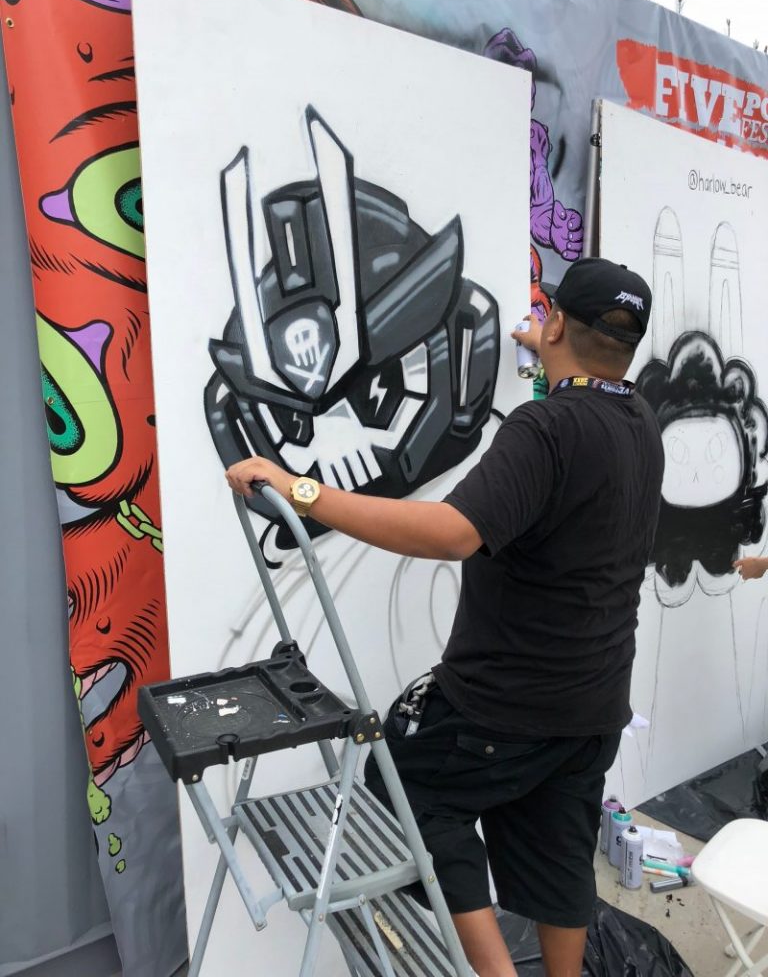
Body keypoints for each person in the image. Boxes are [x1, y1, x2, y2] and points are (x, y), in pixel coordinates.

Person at [226, 257, 665, 977]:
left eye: (548, 320)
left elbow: (454, 532)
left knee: (405, 791)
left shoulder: (546, 428)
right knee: (558, 854)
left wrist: (302, 489)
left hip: (502, 707)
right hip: (592, 705)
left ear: (557, 323)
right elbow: (587, 395)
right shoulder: (639, 422)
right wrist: (550, 349)